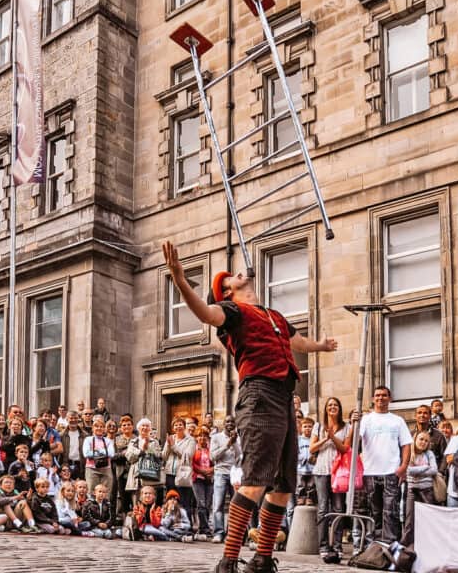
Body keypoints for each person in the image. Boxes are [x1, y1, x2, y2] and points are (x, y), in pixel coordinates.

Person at [163, 242, 338, 573]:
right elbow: (205, 312)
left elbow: (295, 342)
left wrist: (321, 346)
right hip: (259, 395)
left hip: (283, 398)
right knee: (256, 480)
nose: (236, 273)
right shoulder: (232, 312)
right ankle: (228, 560)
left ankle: (261, 558)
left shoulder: (273, 315)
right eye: (229, 277)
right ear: (228, 292)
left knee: (284, 486)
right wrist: (180, 280)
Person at [355, 386, 412, 544]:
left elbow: (406, 444)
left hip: (391, 472)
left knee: (391, 511)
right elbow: (354, 440)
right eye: (377, 395)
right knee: (373, 511)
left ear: (390, 398)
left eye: (384, 395)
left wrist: (403, 466)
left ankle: (389, 545)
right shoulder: (366, 419)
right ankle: (372, 545)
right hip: (370, 472)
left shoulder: (397, 420)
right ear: (373, 399)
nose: (381, 398)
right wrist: (354, 423)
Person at [310, 397, 352, 562]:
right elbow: (312, 448)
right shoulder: (318, 426)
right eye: (330, 405)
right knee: (322, 509)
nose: (332, 407)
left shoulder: (347, 427)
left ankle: (337, 547)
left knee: (338, 508)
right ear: (325, 409)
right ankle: (323, 547)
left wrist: (333, 437)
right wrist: (326, 438)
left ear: (339, 409)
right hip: (321, 470)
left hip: (339, 473)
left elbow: (344, 448)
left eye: (335, 405)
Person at [210, 414, 242, 544]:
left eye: (232, 422)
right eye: (227, 421)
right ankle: (218, 532)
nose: (230, 424)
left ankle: (232, 533)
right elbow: (213, 457)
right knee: (218, 504)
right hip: (220, 473)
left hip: (235, 473)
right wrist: (227, 444)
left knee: (235, 505)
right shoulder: (216, 437)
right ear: (223, 424)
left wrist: (234, 443)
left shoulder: (239, 438)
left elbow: (240, 456)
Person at [402, 431, 439, 542]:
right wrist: (425, 467)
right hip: (412, 490)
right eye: (421, 439)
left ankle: (428, 542)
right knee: (409, 519)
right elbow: (408, 470)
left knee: (428, 518)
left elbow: (434, 470)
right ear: (415, 439)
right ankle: (407, 543)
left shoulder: (429, 454)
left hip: (427, 490)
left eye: (426, 441)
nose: (423, 442)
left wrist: (416, 471)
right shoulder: (408, 453)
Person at [125, 417, 164, 505]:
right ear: (138, 428)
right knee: (137, 505)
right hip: (136, 478)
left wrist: (148, 449)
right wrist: (141, 451)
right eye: (143, 426)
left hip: (151, 476)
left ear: (150, 429)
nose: (145, 428)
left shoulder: (155, 442)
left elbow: (158, 456)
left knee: (151, 504)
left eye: (147, 426)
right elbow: (129, 457)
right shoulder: (133, 442)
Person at [163, 416, 196, 515]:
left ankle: (187, 526)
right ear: (173, 428)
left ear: (184, 426)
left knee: (184, 501)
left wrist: (173, 446)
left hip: (183, 474)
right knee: (171, 501)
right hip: (170, 474)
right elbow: (164, 456)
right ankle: (173, 523)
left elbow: (187, 456)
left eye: (180, 424)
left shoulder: (191, 440)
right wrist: (169, 446)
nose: (178, 427)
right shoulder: (171, 438)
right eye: (175, 425)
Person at [192, 427, 214, 539]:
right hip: (198, 478)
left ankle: (203, 528)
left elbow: (217, 461)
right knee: (201, 504)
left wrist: (211, 470)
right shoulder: (194, 448)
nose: (202, 438)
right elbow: (192, 463)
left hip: (210, 479)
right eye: (200, 436)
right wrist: (203, 471)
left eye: (204, 436)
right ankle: (205, 529)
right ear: (196, 438)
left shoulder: (211, 448)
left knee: (208, 504)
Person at [84, 417, 115, 493]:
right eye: (97, 426)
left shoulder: (107, 441)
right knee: (91, 492)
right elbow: (86, 454)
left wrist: (97, 450)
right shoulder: (88, 440)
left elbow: (111, 453)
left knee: (106, 493)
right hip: (92, 469)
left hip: (106, 469)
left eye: (101, 427)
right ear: (93, 428)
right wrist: (104, 451)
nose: (99, 428)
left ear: (104, 429)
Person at [113, 414, 136, 516]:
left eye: (128, 424)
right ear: (121, 428)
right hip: (121, 472)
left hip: (135, 472)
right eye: (124, 425)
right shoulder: (116, 439)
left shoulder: (137, 439)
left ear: (132, 426)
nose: (126, 427)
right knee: (123, 498)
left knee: (135, 498)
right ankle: (125, 522)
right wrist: (125, 453)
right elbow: (113, 456)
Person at [60, 411, 87, 479]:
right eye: (71, 418)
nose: (73, 420)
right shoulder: (61, 435)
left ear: (78, 419)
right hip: (66, 464)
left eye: (75, 418)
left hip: (80, 465)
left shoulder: (85, 435)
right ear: (67, 419)